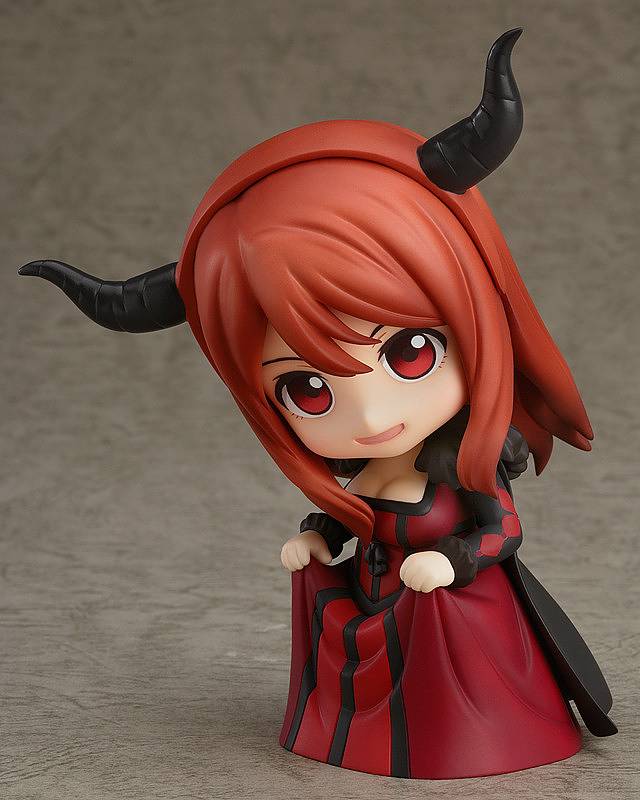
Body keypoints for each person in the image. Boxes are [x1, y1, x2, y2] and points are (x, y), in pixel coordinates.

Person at [19, 30, 616, 778]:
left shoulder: (462, 463)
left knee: (450, 721)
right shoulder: (361, 474)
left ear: (478, 319)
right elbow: (349, 518)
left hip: (461, 640)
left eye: (409, 353)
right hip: (375, 628)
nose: (368, 415)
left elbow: (504, 532)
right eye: (309, 388)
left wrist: (455, 559)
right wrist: (318, 536)